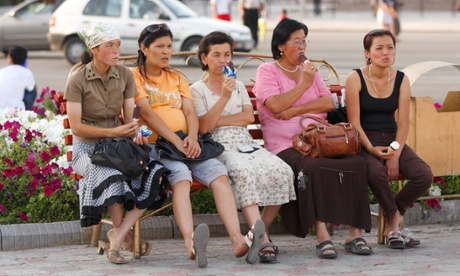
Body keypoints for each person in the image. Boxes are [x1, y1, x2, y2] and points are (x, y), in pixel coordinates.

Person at [131, 24, 265, 268]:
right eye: (159, 46)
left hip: (186, 143)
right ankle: (190, 243)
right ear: (144, 48)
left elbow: (190, 111)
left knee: (219, 174)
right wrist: (176, 141)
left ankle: (238, 241)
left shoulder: (176, 77)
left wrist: (192, 138)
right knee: (181, 176)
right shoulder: (135, 76)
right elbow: (147, 114)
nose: (166, 51)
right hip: (159, 145)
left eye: (169, 46)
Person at [253, 18, 373, 258]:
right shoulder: (267, 71)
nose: (302, 47)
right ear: (280, 46)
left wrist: (292, 109)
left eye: (304, 41)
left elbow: (327, 102)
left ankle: (355, 233)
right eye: (296, 42)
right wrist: (304, 86)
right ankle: (322, 235)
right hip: (285, 143)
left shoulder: (310, 70)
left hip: (320, 138)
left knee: (357, 162)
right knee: (312, 166)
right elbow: (275, 106)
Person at [64, 22, 169, 264]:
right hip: (86, 149)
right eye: (110, 45)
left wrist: (136, 131)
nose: (116, 50)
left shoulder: (124, 74)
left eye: (118, 45)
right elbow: (77, 127)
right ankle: (126, 239)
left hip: (118, 146)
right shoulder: (78, 77)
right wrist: (116, 131)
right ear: (94, 49)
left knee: (153, 171)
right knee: (112, 174)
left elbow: (132, 116)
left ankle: (118, 235)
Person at [190, 31, 296, 263]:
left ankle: (258, 233)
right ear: (204, 58)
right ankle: (264, 241)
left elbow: (248, 117)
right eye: (216, 55)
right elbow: (205, 127)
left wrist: (221, 115)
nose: (223, 60)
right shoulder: (196, 90)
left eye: (227, 54)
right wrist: (223, 99)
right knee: (244, 173)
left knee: (282, 170)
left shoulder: (237, 84)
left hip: (246, 142)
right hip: (217, 145)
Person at [345, 29, 432, 249]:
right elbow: (354, 124)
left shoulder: (401, 79)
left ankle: (393, 218)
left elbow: (403, 124)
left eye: (390, 47)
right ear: (367, 53)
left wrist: (395, 154)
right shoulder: (355, 78)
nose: (386, 53)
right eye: (379, 48)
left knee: (424, 175)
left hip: (393, 139)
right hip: (364, 140)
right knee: (375, 172)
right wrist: (372, 150)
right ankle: (394, 221)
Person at [0, 45, 36, 110]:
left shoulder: (2, 71)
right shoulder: (26, 72)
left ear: (10, 59)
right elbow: (33, 89)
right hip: (16, 110)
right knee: (32, 91)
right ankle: (26, 111)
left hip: (1, 110)